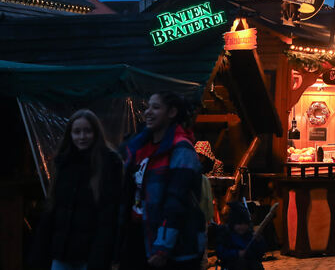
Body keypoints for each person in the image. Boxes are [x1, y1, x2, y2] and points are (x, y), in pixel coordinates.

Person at [117, 92, 206, 269]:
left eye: (156, 107)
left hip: (172, 243)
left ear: (172, 112)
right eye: (148, 107)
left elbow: (176, 201)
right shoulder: (139, 147)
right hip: (138, 234)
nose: (148, 112)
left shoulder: (181, 149)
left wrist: (163, 247)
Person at [32, 109, 122, 270]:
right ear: (70, 134)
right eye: (77, 132)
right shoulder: (63, 164)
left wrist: (101, 257)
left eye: (87, 131)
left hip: (90, 255)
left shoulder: (108, 165)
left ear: (95, 133)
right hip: (62, 253)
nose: (82, 136)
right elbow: (53, 210)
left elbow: (108, 216)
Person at [216, 202, 268, 270]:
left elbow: (260, 252)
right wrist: (237, 253)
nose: (242, 226)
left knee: (257, 265)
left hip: (250, 263)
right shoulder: (227, 235)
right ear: (232, 224)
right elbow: (221, 252)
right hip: (232, 264)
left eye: (245, 223)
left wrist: (259, 241)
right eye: (239, 223)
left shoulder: (249, 234)